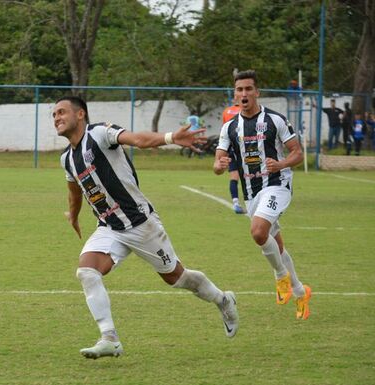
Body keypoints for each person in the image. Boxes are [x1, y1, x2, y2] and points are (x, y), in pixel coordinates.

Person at [54, 95, 239, 359]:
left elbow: (138, 140)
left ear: (80, 114)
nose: (57, 118)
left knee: (177, 277)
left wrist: (171, 137)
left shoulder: (99, 134)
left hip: (141, 224)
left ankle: (223, 299)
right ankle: (110, 338)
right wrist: (73, 216)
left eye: (62, 112)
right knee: (87, 272)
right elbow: (74, 190)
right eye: (54, 115)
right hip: (109, 227)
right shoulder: (67, 159)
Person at [213, 70, 311, 320]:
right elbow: (217, 163)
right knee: (276, 245)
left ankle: (280, 276)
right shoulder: (229, 127)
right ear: (234, 94)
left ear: (257, 92)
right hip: (251, 192)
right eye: (239, 90)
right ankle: (300, 291)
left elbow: (297, 153)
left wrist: (281, 164)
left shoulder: (275, 120)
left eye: (248, 89)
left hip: (277, 184)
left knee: (258, 232)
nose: (244, 94)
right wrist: (219, 166)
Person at [222, 101, 244, 214]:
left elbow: (225, 129)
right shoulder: (246, 109)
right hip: (246, 146)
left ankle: (236, 202)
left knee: (234, 176)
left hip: (231, 147)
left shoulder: (226, 111)